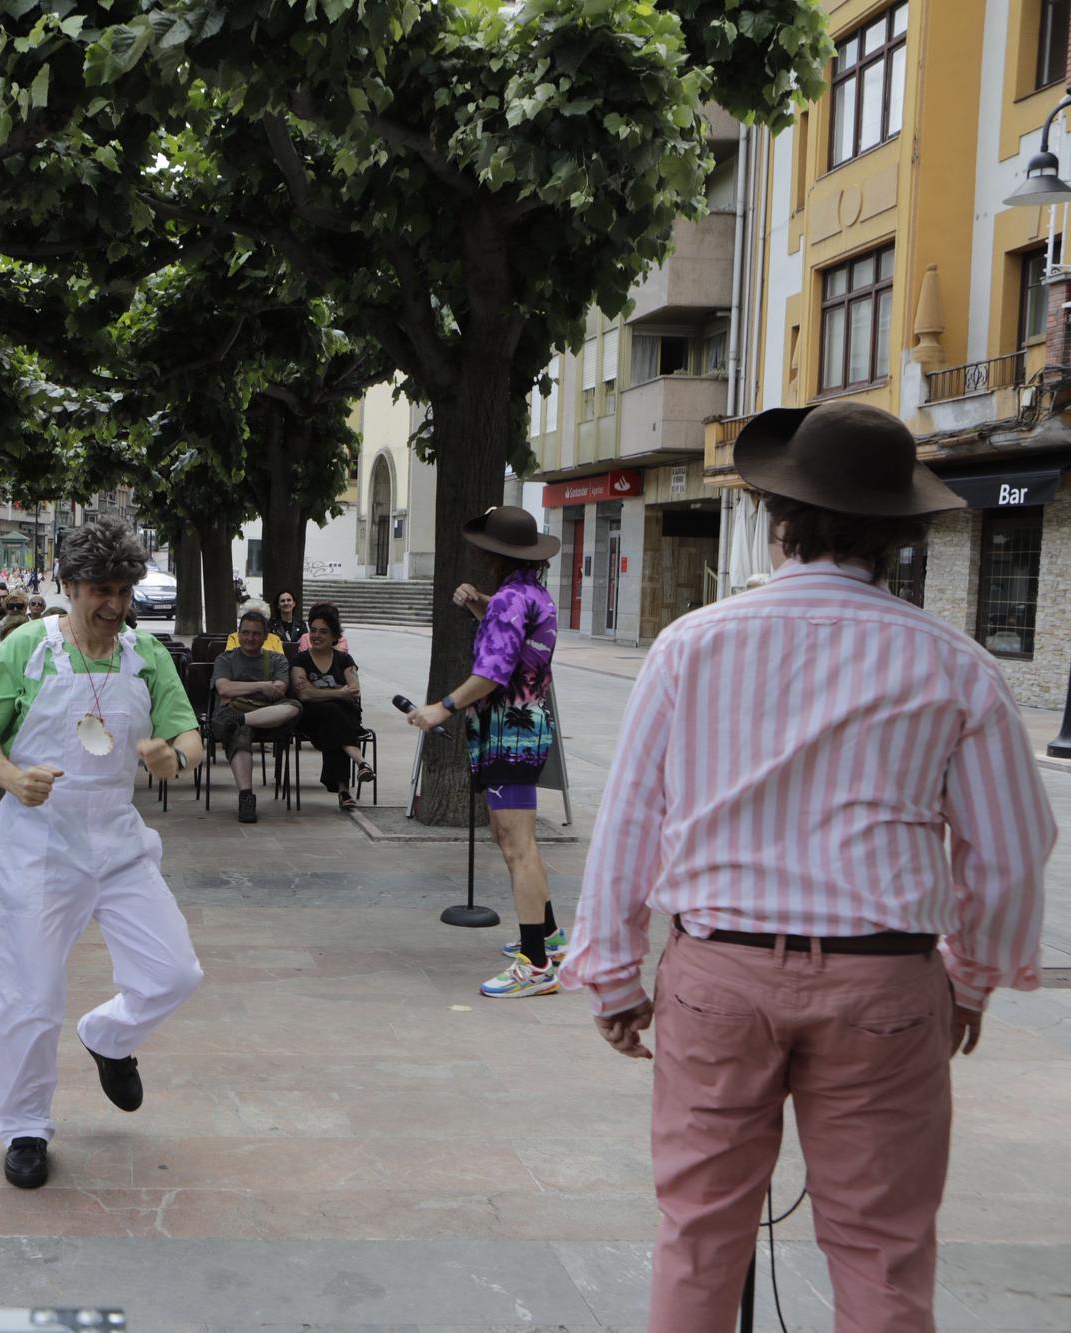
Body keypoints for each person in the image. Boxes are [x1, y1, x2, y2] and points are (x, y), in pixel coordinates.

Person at [560, 402, 1055, 1332]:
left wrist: (614, 975)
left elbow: (630, 821)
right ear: (902, 535)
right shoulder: (955, 664)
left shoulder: (691, 646)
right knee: (882, 1252)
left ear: (781, 520)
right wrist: (972, 979)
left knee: (699, 1238)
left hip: (718, 975)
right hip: (885, 982)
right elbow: (1013, 847)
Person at [0, 516, 204, 1191]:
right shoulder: (27, 651)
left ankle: (110, 1035)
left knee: (175, 971)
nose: (116, 605)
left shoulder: (144, 656)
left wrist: (171, 757)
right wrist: (11, 777)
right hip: (38, 848)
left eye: (124, 589)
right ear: (68, 586)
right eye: (101, 588)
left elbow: (190, 738)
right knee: (31, 996)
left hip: (119, 844)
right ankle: (25, 1127)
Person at [408, 506, 561, 997]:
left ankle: (536, 964)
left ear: (495, 554)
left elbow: (492, 673)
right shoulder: (531, 595)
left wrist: (442, 707)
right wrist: (479, 605)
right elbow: (511, 646)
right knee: (511, 837)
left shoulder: (509, 601)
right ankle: (550, 937)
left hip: (508, 732)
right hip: (525, 727)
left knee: (518, 845)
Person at [210, 609, 301, 824]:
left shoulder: (278, 660)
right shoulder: (225, 659)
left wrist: (240, 688)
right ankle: (246, 796)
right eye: (246, 632)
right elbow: (224, 689)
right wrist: (262, 686)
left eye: (256, 633)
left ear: (265, 635)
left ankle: (244, 720)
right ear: (238, 633)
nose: (250, 638)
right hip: (232, 716)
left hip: (268, 719)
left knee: (294, 707)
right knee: (239, 732)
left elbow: (280, 689)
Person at [290, 604, 374, 811]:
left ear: (335, 635)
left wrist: (319, 693)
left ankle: (344, 790)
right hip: (312, 718)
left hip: (342, 716)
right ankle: (360, 763)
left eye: (323, 631)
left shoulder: (344, 659)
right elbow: (303, 694)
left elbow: (354, 690)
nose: (316, 636)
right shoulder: (300, 659)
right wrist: (338, 692)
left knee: (334, 718)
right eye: (314, 630)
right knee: (333, 712)